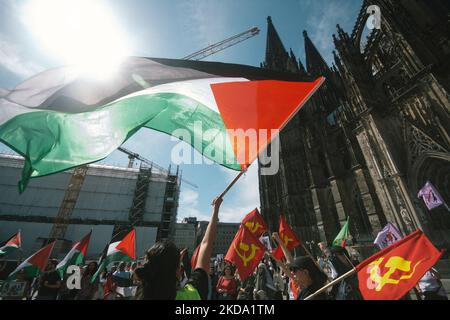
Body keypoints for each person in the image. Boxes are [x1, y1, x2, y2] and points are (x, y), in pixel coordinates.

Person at [136, 197, 222, 300]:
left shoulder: (140, 295)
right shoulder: (189, 295)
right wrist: (215, 209)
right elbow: (206, 244)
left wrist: (175, 261)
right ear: (177, 270)